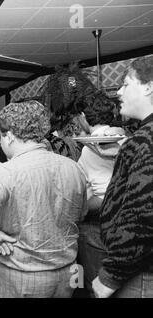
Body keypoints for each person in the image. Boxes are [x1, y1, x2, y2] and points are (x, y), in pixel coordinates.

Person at [0, 100, 87, 298]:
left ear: (8, 136)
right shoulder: (74, 168)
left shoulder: (6, 172)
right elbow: (81, 214)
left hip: (23, 277)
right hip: (70, 274)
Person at [92, 56, 153, 298]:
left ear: (148, 87)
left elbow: (143, 217)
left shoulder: (145, 141)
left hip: (140, 275)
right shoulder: (142, 140)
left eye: (126, 84)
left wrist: (111, 275)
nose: (119, 92)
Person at [76, 103, 126, 297]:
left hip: (98, 224)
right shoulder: (122, 136)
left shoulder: (91, 146)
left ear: (82, 116)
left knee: (95, 283)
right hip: (123, 223)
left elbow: (104, 194)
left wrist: (81, 210)